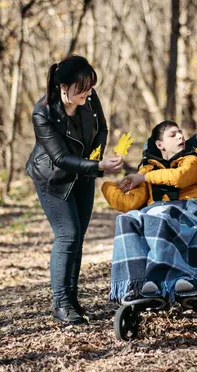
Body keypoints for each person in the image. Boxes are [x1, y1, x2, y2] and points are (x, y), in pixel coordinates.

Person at [26, 55, 123, 325]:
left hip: (84, 175)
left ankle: (72, 298)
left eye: (90, 87)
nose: (88, 92)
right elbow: (59, 158)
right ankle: (60, 303)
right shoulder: (42, 112)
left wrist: (96, 158)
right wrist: (97, 165)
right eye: (82, 88)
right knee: (67, 235)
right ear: (63, 87)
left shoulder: (90, 100)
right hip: (53, 179)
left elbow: (102, 129)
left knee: (78, 237)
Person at [102, 121, 197, 301]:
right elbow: (129, 203)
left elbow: (179, 177)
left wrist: (143, 177)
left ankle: (173, 276)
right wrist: (108, 185)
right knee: (127, 219)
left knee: (161, 215)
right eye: (173, 134)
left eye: (180, 133)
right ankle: (136, 282)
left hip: (190, 213)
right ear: (159, 144)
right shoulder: (147, 169)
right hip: (156, 214)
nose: (180, 136)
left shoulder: (192, 160)